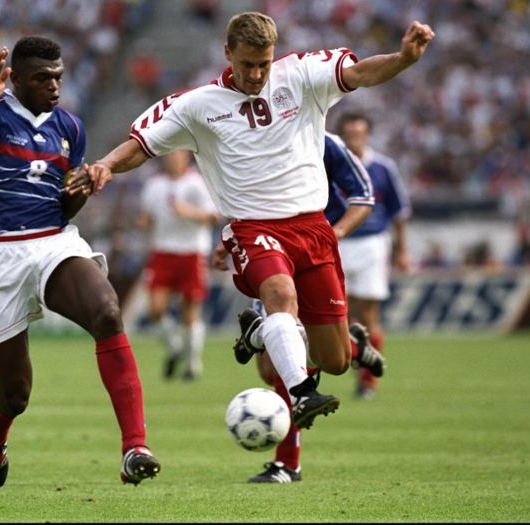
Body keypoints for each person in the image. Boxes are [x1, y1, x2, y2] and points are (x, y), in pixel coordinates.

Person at [71, 12, 434, 434]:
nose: (258, 73)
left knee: (336, 361)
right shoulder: (197, 105)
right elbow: (142, 145)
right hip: (254, 228)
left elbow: (360, 73)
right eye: (247, 64)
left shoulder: (300, 74)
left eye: (264, 63)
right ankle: (300, 394)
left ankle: (261, 332)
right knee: (280, 293)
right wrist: (106, 166)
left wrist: (403, 58)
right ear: (228, 54)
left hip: (314, 229)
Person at [0, 36, 160, 488]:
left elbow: (61, 206)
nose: (54, 86)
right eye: (42, 78)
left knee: (108, 312)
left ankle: (135, 446)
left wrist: (79, 195)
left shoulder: (70, 127)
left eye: (58, 77)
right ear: (14, 79)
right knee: (16, 394)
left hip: (53, 241)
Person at [223, 131, 377, 482]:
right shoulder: (248, 132)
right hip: (267, 248)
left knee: (332, 362)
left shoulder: (325, 140)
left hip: (316, 249)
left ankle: (338, 345)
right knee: (272, 368)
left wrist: (331, 235)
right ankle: (288, 462)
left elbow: (363, 196)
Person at [336, 112, 412, 400]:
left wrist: (402, 250)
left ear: (368, 136)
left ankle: (368, 382)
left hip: (371, 245)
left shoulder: (382, 167)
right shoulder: (329, 163)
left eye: (360, 134)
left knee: (368, 313)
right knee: (336, 313)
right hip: (337, 243)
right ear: (342, 137)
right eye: (350, 135)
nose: (355, 139)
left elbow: (399, 211)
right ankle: (357, 351)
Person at [137, 150, 221, 381]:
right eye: (169, 153)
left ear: (186, 156)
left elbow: (215, 216)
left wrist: (189, 212)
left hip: (192, 252)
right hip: (162, 252)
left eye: (178, 153)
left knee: (189, 311)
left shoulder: (196, 182)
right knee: (156, 309)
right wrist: (144, 222)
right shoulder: (154, 184)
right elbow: (146, 216)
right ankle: (175, 347)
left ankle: (193, 365)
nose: (173, 157)